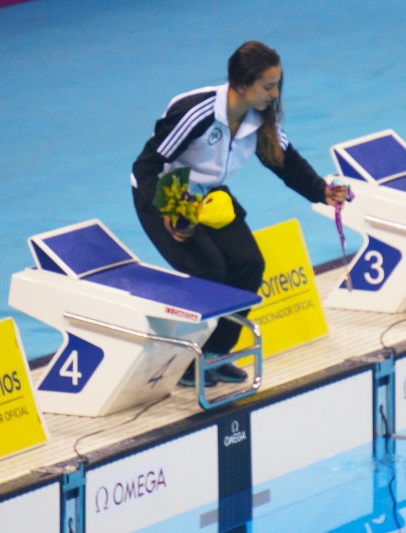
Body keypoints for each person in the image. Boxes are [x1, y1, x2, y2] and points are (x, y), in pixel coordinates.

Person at [131, 40, 347, 387]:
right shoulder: (197, 114)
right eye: (268, 86)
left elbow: (285, 161)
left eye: (278, 84)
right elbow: (147, 165)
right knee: (209, 270)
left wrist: (320, 190)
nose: (275, 94)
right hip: (167, 190)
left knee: (249, 264)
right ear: (242, 85)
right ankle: (184, 360)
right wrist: (165, 211)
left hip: (210, 195)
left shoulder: (260, 118)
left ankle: (214, 354)